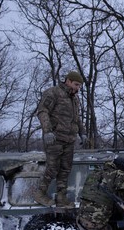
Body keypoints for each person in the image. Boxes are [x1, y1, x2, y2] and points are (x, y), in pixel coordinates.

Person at [33, 71, 87, 207]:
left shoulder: (74, 99)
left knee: (65, 169)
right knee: (52, 168)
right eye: (76, 84)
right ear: (68, 81)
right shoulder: (53, 93)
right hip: (55, 138)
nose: (77, 88)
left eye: (80, 86)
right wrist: (47, 131)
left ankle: (61, 197)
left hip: (69, 139)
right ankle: (39, 194)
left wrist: (83, 133)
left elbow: (77, 118)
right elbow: (42, 111)